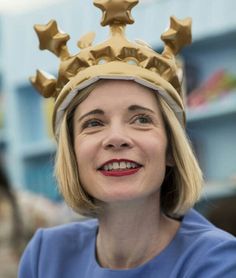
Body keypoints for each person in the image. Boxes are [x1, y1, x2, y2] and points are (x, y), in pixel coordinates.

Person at [19, 0, 236, 277]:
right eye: (94, 123)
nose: (117, 138)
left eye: (142, 119)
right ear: (72, 153)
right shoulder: (44, 255)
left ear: (171, 150)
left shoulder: (218, 261)